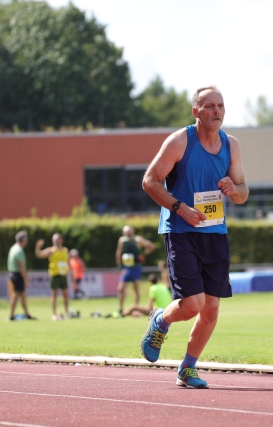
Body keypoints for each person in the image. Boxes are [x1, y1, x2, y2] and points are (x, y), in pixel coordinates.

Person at [141, 85, 248, 389]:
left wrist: (234, 189)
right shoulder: (180, 141)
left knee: (211, 309)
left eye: (220, 106)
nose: (217, 111)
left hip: (215, 233)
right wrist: (180, 208)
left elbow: (243, 192)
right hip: (181, 230)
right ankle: (160, 320)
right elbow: (150, 180)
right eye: (209, 106)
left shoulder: (231, 145)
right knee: (192, 305)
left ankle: (187, 368)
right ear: (196, 111)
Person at [115, 225, 156, 315]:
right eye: (126, 232)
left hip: (136, 267)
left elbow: (151, 246)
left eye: (129, 232)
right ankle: (121, 309)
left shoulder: (138, 240)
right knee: (121, 288)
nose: (127, 234)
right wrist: (120, 266)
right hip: (126, 267)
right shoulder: (122, 241)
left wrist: (143, 254)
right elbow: (118, 253)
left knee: (136, 288)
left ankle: (136, 309)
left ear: (132, 232)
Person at [36, 233, 70, 321]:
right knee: (54, 295)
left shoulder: (65, 250)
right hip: (55, 275)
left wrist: (70, 271)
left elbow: (67, 262)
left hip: (63, 275)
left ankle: (67, 312)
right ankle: (54, 314)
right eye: (54, 239)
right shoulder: (51, 250)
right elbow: (39, 254)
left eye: (57, 239)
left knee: (65, 295)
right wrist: (38, 246)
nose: (55, 241)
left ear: (61, 240)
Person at [7, 231, 35, 321]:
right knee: (16, 295)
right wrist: (25, 278)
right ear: (24, 240)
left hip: (13, 274)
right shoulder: (19, 250)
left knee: (22, 295)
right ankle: (11, 315)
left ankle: (27, 314)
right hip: (17, 275)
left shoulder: (13, 248)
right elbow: (21, 267)